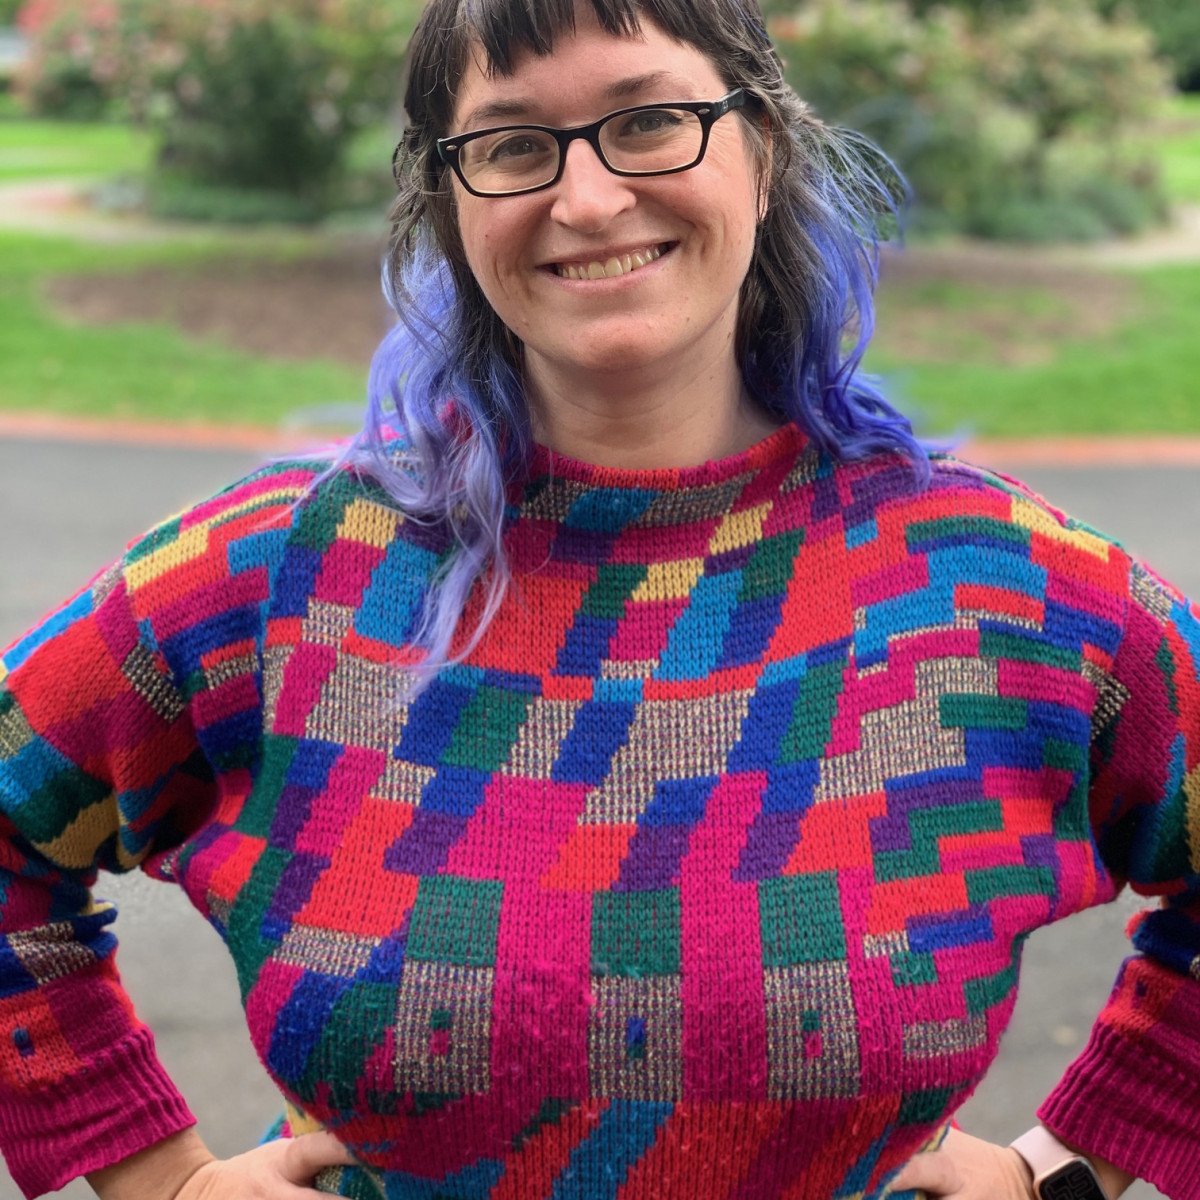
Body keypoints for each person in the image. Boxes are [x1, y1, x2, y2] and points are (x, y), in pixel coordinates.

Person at [0, 0, 1197, 1196]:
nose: (586, 198)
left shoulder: (1002, 593)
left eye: (651, 119)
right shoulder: (276, 582)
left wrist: (1071, 1165)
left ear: (761, 148)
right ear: (447, 200)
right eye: (514, 144)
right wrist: (157, 1173)